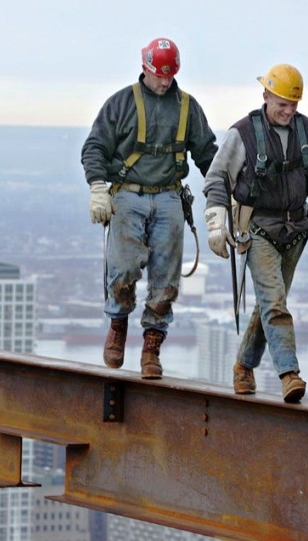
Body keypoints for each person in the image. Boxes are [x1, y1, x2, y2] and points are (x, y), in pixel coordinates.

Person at [202, 64, 308, 402]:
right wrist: (215, 222)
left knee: (270, 303)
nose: (288, 110)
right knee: (275, 301)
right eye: (282, 103)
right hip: (257, 230)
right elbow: (217, 178)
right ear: (265, 96)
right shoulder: (242, 135)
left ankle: (243, 366)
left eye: (293, 104)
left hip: (295, 231)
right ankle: (289, 374)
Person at [82, 37, 218, 378]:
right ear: (145, 68)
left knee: (166, 279)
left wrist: (223, 192)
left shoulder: (187, 107)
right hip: (128, 194)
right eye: (159, 75)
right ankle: (118, 324)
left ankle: (152, 347)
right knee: (124, 268)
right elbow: (95, 145)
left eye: (170, 75)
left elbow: (208, 155)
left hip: (170, 195)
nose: (164, 82)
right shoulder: (121, 104)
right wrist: (98, 186)